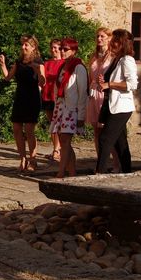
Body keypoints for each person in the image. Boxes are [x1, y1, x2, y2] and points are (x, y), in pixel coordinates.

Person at [0, 35, 45, 171]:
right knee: (17, 128)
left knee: (30, 130)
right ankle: (22, 158)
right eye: (23, 45)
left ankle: (33, 159)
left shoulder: (38, 61)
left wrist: (37, 70)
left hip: (32, 97)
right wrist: (3, 65)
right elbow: (8, 77)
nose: (23, 47)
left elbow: (43, 82)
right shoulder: (18, 62)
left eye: (26, 45)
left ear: (33, 47)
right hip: (20, 97)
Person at [96, 29, 138, 174]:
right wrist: (105, 82)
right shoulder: (117, 59)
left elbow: (132, 84)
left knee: (105, 139)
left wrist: (110, 84)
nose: (112, 43)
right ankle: (127, 171)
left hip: (122, 107)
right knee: (120, 142)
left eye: (115, 41)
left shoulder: (127, 60)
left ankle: (99, 173)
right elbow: (114, 81)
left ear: (122, 43)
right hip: (113, 105)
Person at [50, 38, 88, 178]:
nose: (62, 51)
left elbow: (82, 92)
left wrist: (81, 116)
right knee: (64, 141)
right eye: (61, 49)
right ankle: (72, 172)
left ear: (73, 51)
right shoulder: (62, 67)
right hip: (61, 107)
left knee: (65, 140)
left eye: (65, 49)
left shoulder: (78, 67)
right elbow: (58, 88)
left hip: (72, 109)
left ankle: (61, 172)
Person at [86, 27, 120, 172]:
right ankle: (101, 164)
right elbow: (90, 77)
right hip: (94, 94)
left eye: (102, 36)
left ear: (109, 38)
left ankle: (117, 163)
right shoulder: (94, 56)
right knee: (97, 131)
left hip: (106, 93)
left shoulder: (113, 56)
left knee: (108, 131)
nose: (99, 39)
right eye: (97, 36)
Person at [43, 39, 64, 162]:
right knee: (52, 123)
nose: (53, 50)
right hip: (47, 95)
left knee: (57, 123)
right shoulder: (47, 63)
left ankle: (57, 149)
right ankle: (55, 148)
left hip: (57, 96)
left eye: (56, 47)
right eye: (52, 47)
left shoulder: (63, 63)